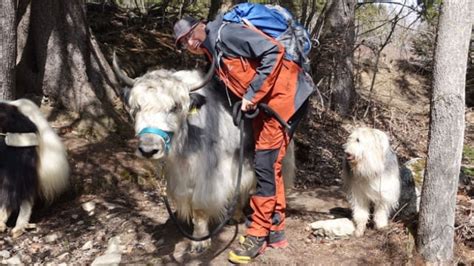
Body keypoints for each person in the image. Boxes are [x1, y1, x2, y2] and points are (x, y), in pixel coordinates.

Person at [173, 14, 313, 264]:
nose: (189, 44)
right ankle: (276, 230)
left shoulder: (227, 34)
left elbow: (273, 50)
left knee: (265, 166)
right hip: (266, 102)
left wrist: (252, 93)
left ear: (200, 26)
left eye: (190, 36)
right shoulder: (212, 49)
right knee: (271, 164)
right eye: (183, 42)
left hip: (282, 100)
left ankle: (257, 235)